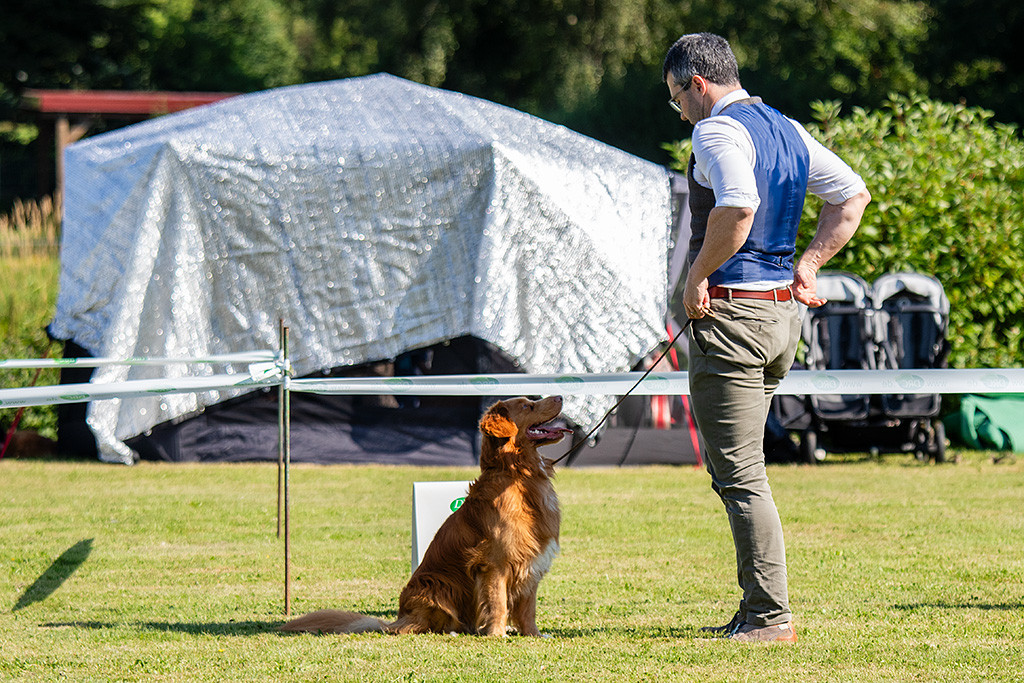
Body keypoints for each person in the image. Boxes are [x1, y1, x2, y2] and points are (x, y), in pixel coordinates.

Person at [663, 32, 871, 642]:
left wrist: (695, 276)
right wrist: (807, 267)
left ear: (697, 84)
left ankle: (768, 617)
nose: (678, 110)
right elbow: (852, 196)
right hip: (782, 319)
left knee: (740, 473)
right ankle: (755, 605)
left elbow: (739, 208)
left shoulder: (717, 131)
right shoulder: (786, 127)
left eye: (676, 97)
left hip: (734, 320)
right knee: (745, 470)